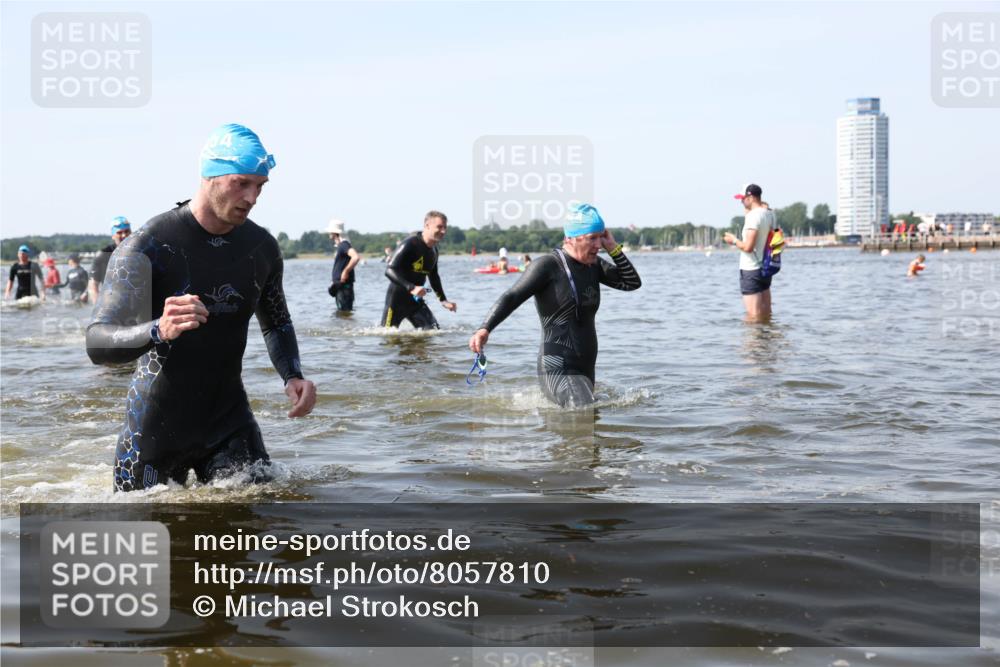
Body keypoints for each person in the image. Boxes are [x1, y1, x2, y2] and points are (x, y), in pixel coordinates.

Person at [86, 123, 317, 493]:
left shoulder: (261, 248)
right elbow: (97, 344)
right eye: (242, 183)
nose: (252, 196)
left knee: (265, 528)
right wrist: (157, 328)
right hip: (155, 427)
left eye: (260, 186)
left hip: (228, 419)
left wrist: (292, 374)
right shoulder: (147, 246)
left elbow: (277, 322)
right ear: (209, 176)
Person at [468, 203, 641, 407]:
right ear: (570, 238)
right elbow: (512, 296)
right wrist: (484, 328)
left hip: (585, 369)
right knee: (582, 414)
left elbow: (631, 283)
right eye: (592, 238)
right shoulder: (547, 266)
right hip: (556, 365)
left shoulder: (594, 265)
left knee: (586, 427)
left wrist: (613, 248)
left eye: (601, 237)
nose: (599, 245)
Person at [381, 210, 457, 329]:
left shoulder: (434, 250)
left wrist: (443, 300)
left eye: (445, 227)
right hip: (396, 301)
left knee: (433, 331)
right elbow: (389, 270)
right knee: (388, 338)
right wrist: (411, 287)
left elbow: (434, 276)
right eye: (439, 227)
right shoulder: (410, 243)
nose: (443, 231)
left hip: (415, 302)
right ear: (427, 225)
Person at [724, 183, 775, 321]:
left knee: (753, 316)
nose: (741, 201)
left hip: (751, 269)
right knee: (766, 313)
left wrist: (733, 240)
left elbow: (748, 247)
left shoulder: (753, 217)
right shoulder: (770, 214)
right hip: (765, 267)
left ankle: (753, 342)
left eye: (743, 198)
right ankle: (766, 341)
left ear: (750, 197)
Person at [89, 217, 132, 303]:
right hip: (111, 304)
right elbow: (93, 286)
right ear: (113, 235)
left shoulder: (141, 250)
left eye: (127, 231)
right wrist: (98, 310)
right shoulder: (103, 255)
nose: (124, 235)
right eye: (119, 232)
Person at [326, 219, 360, 313]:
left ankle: (347, 328)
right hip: (341, 287)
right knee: (344, 314)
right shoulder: (342, 245)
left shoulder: (344, 245)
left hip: (344, 288)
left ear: (335, 233)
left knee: (344, 314)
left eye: (330, 232)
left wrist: (345, 271)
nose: (329, 235)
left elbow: (356, 257)